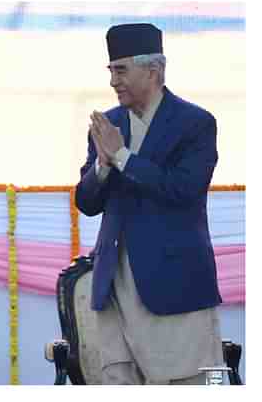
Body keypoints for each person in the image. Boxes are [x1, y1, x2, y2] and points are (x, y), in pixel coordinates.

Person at [75, 23, 223, 384]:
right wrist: (103, 164)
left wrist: (123, 156)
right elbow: (86, 201)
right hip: (115, 284)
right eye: (110, 71)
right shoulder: (108, 124)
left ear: (153, 71)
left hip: (173, 285)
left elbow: (182, 190)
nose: (113, 81)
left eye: (121, 70)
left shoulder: (195, 124)